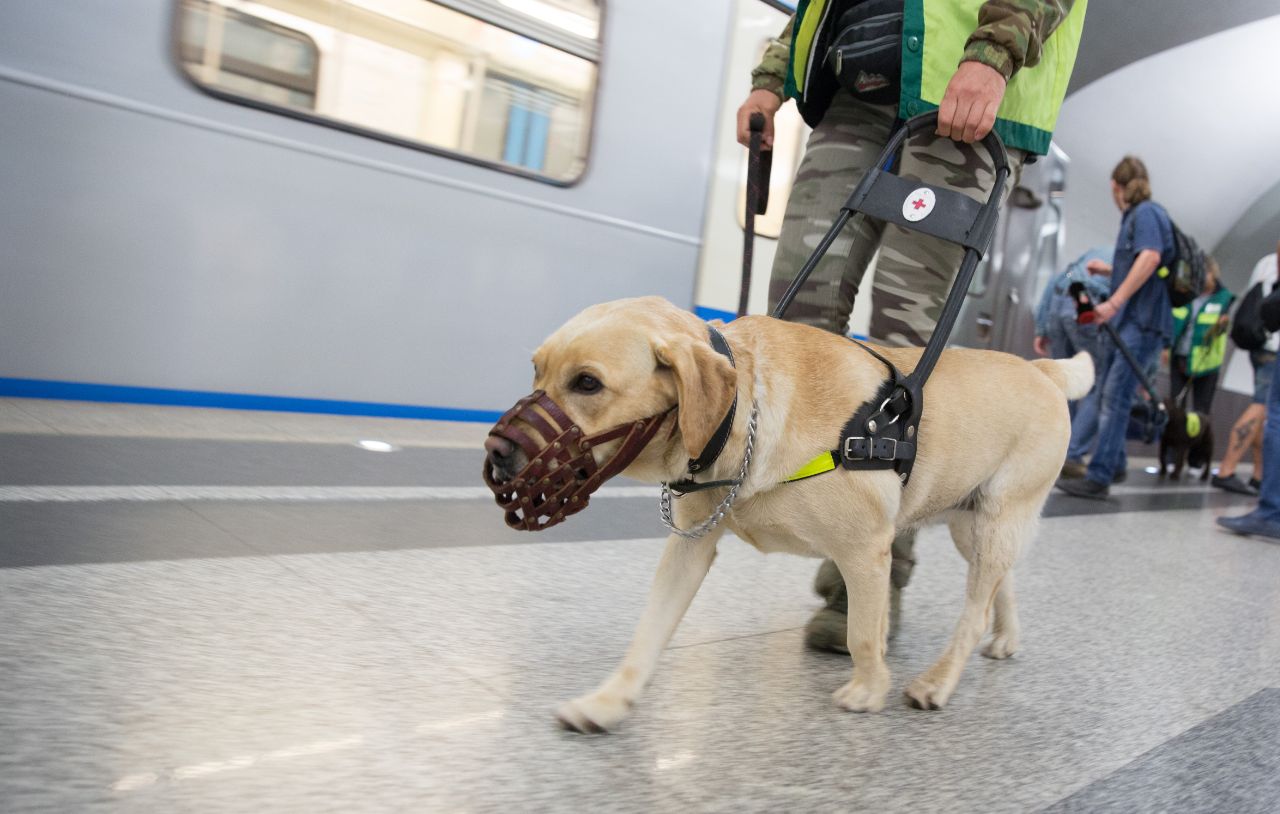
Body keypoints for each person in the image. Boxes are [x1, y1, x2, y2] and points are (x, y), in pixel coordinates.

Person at [736, 0, 1087, 650]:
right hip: (850, 94)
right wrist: (773, 75)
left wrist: (993, 53)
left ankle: (874, 571)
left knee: (908, 346)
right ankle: (821, 522)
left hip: (961, 86)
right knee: (792, 330)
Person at [1057, 156, 1177, 500]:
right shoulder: (1137, 217)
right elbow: (1143, 265)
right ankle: (1116, 462)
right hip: (1130, 323)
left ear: (1115, 187)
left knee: (1114, 397)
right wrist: (1109, 272)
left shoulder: (1147, 213)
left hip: (1141, 323)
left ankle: (1100, 475)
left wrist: (1113, 302)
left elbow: (1151, 258)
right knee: (1113, 395)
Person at [1218, 257, 1280, 539]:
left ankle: (1258, 479)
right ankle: (1228, 470)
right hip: (1272, 345)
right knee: (1265, 411)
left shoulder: (1264, 262)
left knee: (1268, 415)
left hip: (1263, 343)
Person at [1033, 246, 1113, 418]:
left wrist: (1041, 328)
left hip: (1058, 300)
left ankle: (1057, 436)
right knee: (1097, 380)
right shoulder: (1125, 261)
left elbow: (1057, 279)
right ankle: (1075, 444)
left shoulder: (1092, 252)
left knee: (1063, 376)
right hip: (1082, 305)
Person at [1168, 257, 1232, 414]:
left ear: (1212, 274)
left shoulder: (1225, 299)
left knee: (1201, 413)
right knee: (1175, 408)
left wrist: (1222, 325)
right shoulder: (1186, 293)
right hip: (1180, 358)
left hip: (1206, 364)